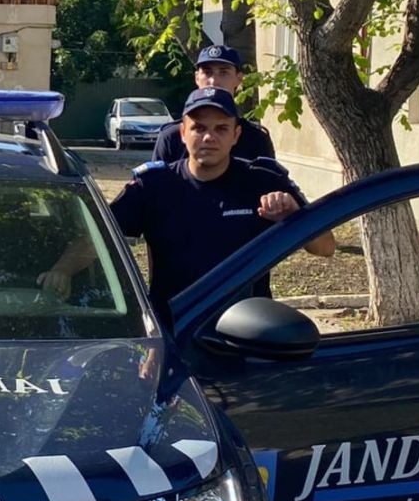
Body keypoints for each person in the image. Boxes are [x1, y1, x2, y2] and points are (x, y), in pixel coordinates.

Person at [39, 87, 335, 325]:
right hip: (175, 327)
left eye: (221, 129)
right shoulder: (153, 186)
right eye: (199, 128)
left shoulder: (264, 182)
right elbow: (101, 237)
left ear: (236, 135)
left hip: (247, 328)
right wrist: (63, 270)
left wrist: (294, 215)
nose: (209, 137)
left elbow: (325, 248)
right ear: (183, 133)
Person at [152, 45, 275, 164]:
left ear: (239, 78)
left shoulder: (256, 138)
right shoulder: (171, 138)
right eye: (207, 72)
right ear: (197, 78)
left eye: (223, 73)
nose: (214, 81)